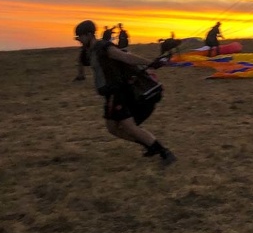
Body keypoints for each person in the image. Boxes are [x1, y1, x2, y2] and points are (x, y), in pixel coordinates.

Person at [74, 20, 177, 166]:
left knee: (128, 126)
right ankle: (150, 146)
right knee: (113, 128)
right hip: (110, 95)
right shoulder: (89, 51)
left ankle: (164, 152)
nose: (79, 40)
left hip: (117, 93)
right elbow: (82, 61)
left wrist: (150, 63)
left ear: (89, 34)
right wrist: (80, 73)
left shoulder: (103, 47)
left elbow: (125, 56)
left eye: (80, 37)